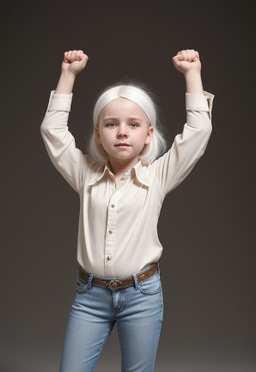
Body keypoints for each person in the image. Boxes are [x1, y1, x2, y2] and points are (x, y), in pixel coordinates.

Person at [40, 49, 214, 372]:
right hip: (90, 297)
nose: (122, 131)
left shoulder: (158, 175)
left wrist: (192, 74)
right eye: (111, 124)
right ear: (98, 133)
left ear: (148, 135)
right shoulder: (85, 173)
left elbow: (198, 133)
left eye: (133, 124)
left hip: (142, 295)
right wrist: (68, 74)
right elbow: (53, 134)